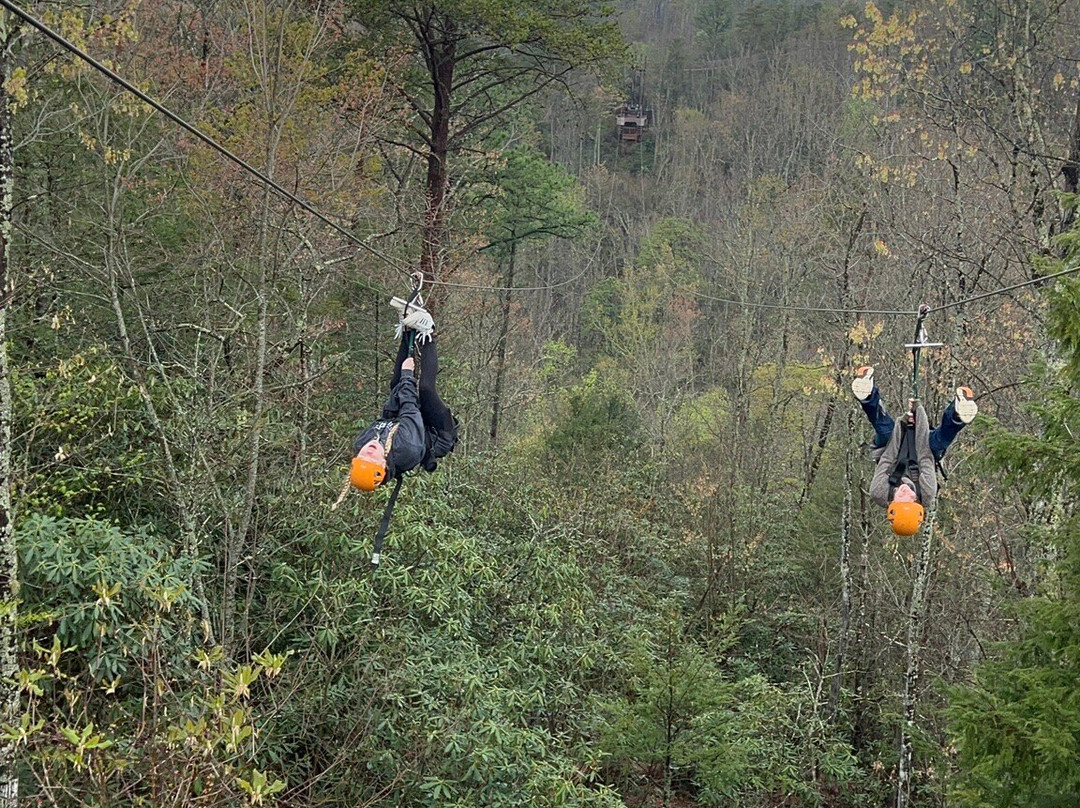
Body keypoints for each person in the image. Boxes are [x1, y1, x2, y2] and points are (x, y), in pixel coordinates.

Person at [852, 365, 977, 535]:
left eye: (899, 499)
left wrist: (903, 423)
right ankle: (958, 412)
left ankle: (867, 394)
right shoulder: (927, 491)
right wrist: (918, 413)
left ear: (890, 504)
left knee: (884, 429)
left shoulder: (879, 492)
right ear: (918, 502)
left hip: (888, 448)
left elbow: (888, 457)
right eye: (909, 499)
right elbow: (925, 454)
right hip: (924, 450)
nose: (904, 493)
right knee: (939, 442)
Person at [349, 296, 458, 492]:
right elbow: (410, 411)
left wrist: (400, 384)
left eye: (362, 456)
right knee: (425, 389)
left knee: (396, 385)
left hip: (406, 423)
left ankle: (408, 329)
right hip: (436, 432)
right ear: (383, 466)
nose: (368, 452)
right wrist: (407, 374)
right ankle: (427, 330)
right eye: (372, 460)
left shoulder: (362, 442)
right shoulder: (406, 448)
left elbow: (388, 416)